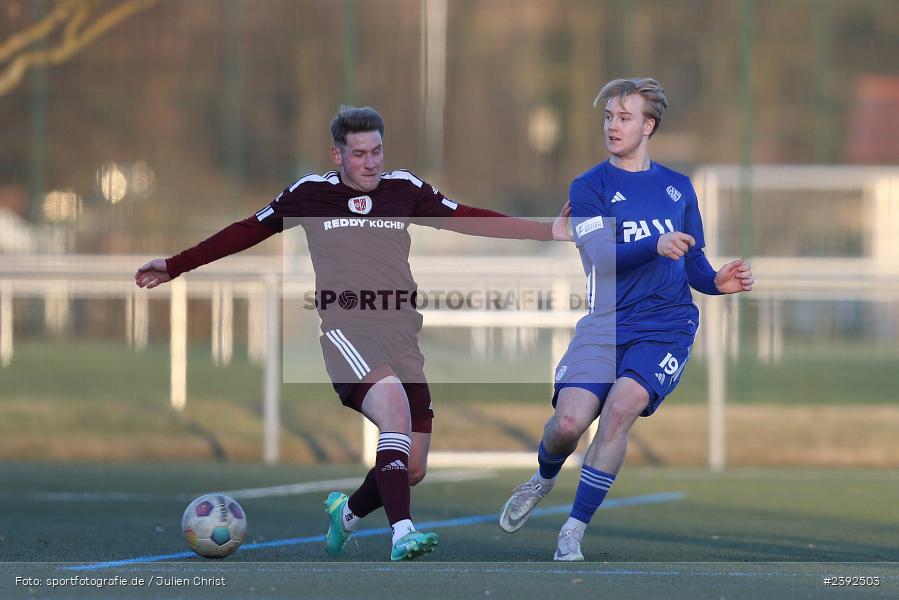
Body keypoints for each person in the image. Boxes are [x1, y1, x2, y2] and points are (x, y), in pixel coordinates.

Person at [135, 105, 571, 561]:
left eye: (377, 151)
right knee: (396, 413)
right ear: (337, 155)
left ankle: (346, 514)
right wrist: (175, 265)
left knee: (413, 466)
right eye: (359, 153)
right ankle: (402, 532)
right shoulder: (310, 194)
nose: (370, 162)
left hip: (402, 337)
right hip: (348, 332)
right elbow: (244, 231)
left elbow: (469, 217)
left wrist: (548, 231)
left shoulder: (405, 189)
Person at [498, 78, 754, 560]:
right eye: (609, 117)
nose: (613, 126)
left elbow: (694, 262)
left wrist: (717, 281)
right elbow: (600, 254)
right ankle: (542, 478)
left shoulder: (678, 187)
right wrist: (654, 244)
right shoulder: (589, 185)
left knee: (619, 411)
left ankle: (573, 530)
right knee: (568, 424)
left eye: (624, 117)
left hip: (666, 327)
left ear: (648, 126)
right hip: (605, 325)